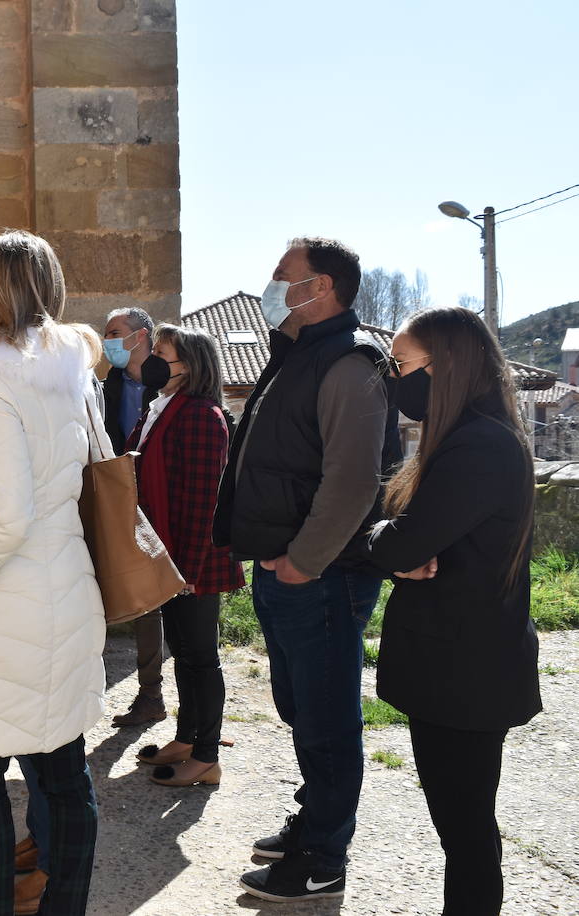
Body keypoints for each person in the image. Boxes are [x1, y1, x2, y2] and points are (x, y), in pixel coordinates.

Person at [215, 237, 397, 902]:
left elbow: (353, 480)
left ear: (321, 288)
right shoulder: (299, 355)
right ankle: (315, 818)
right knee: (301, 707)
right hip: (288, 568)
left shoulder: (351, 363)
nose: (272, 285)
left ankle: (323, 853)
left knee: (325, 716)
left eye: (282, 276)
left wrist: (302, 561)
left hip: (320, 573)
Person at [0, 230, 105, 915]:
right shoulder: (68, 368)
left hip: (13, 600)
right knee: (62, 769)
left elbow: (2, 520)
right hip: (67, 584)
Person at [366, 307, 541, 915]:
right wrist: (397, 543)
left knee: (465, 828)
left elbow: (405, 542)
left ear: (446, 365)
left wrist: (388, 541)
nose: (396, 376)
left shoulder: (478, 445)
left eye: (403, 362)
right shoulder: (476, 436)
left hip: (465, 669)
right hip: (460, 662)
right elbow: (410, 542)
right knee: (463, 824)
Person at [125, 325, 244, 786]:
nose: (152, 359)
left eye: (161, 353)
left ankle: (207, 756)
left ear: (189, 365)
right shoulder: (163, 408)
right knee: (183, 653)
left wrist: (187, 572)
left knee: (200, 657)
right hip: (169, 555)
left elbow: (202, 501)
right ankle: (188, 738)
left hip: (192, 561)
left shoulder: (200, 415)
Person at [101, 306, 168, 728]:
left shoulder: (167, 384)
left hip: (158, 501)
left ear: (141, 336)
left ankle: (152, 693)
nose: (107, 341)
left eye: (114, 333)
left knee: (153, 603)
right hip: (114, 499)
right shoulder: (104, 385)